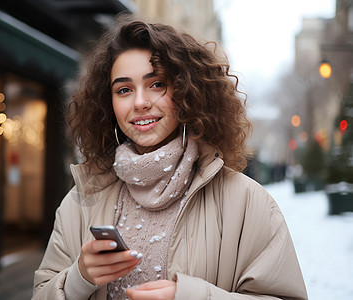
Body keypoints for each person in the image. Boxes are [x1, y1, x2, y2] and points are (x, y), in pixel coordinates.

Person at [32, 15, 308, 300]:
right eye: (124, 90)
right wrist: (79, 278)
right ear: (108, 103)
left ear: (188, 92)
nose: (140, 102)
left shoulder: (247, 202)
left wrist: (191, 296)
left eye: (157, 84)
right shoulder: (81, 201)